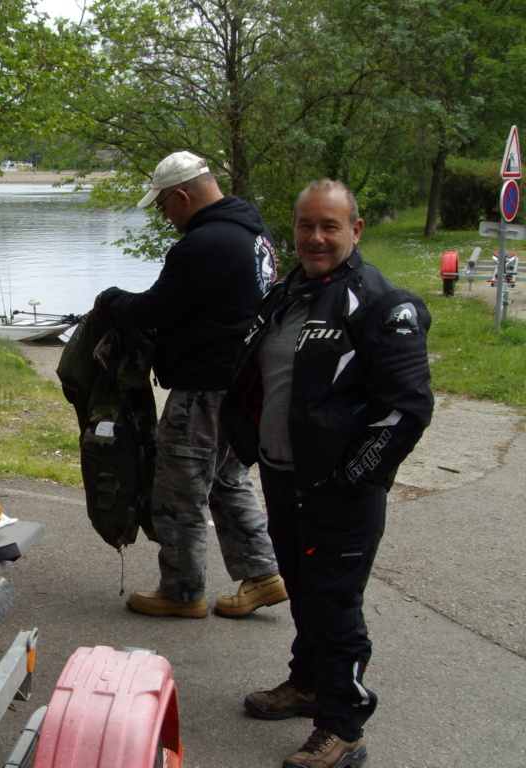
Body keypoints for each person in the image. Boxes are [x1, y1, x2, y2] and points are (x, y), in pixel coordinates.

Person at [221, 180, 434, 768]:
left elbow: (406, 410)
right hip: (284, 475)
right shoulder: (286, 295)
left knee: (335, 603)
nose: (316, 237)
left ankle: (343, 727)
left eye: (330, 226)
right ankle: (309, 681)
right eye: (305, 225)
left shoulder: (384, 305)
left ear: (355, 230)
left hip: (340, 489)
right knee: (304, 590)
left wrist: (350, 479)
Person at [96, 150, 286, 619]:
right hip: (241, 385)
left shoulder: (205, 244)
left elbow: (155, 309)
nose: (164, 217)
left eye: (163, 206)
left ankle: (182, 591)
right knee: (225, 478)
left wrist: (113, 300)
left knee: (178, 487)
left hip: (205, 388)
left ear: (182, 196)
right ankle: (263, 574)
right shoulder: (254, 233)